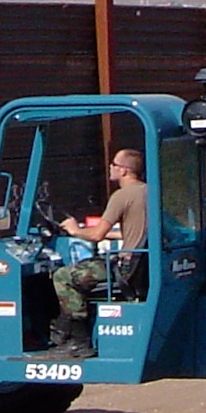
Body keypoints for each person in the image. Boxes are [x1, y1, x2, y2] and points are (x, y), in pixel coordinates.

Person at [50, 148, 148, 358]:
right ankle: (61, 330)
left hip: (127, 267)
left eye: (114, 164)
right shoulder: (148, 191)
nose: (110, 168)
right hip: (141, 261)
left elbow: (97, 235)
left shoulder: (121, 196)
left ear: (124, 170)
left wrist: (76, 230)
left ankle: (78, 342)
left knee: (63, 276)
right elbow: (131, 231)